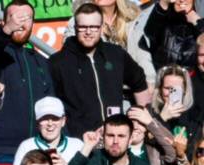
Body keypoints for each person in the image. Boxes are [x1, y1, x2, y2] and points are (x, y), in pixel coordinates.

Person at [49, 3, 150, 137]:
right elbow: (51, 104)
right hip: (80, 142)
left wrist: (142, 120)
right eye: (83, 27)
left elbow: (139, 81)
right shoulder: (58, 62)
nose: (88, 32)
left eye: (93, 27)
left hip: (115, 140)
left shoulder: (116, 54)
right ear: (75, 28)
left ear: (101, 28)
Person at [0, 0, 54, 165]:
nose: (19, 23)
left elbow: (53, 105)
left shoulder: (42, 61)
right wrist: (7, 30)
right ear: (3, 22)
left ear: (33, 23)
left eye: (26, 18)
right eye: (13, 18)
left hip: (37, 151)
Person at [63, 0, 156, 86]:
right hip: (99, 91)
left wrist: (148, 85)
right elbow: (73, 62)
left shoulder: (135, 18)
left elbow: (144, 58)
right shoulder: (79, 22)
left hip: (137, 89)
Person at [10, 96, 83, 165]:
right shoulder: (27, 146)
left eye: (55, 118)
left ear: (63, 121)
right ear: (37, 122)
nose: (50, 123)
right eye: (44, 118)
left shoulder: (77, 145)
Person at [143, 0, 204, 70]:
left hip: (192, 78)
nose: (182, 0)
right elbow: (149, 32)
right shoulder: (163, 16)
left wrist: (198, 23)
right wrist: (163, 4)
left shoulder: (200, 18)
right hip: (163, 76)